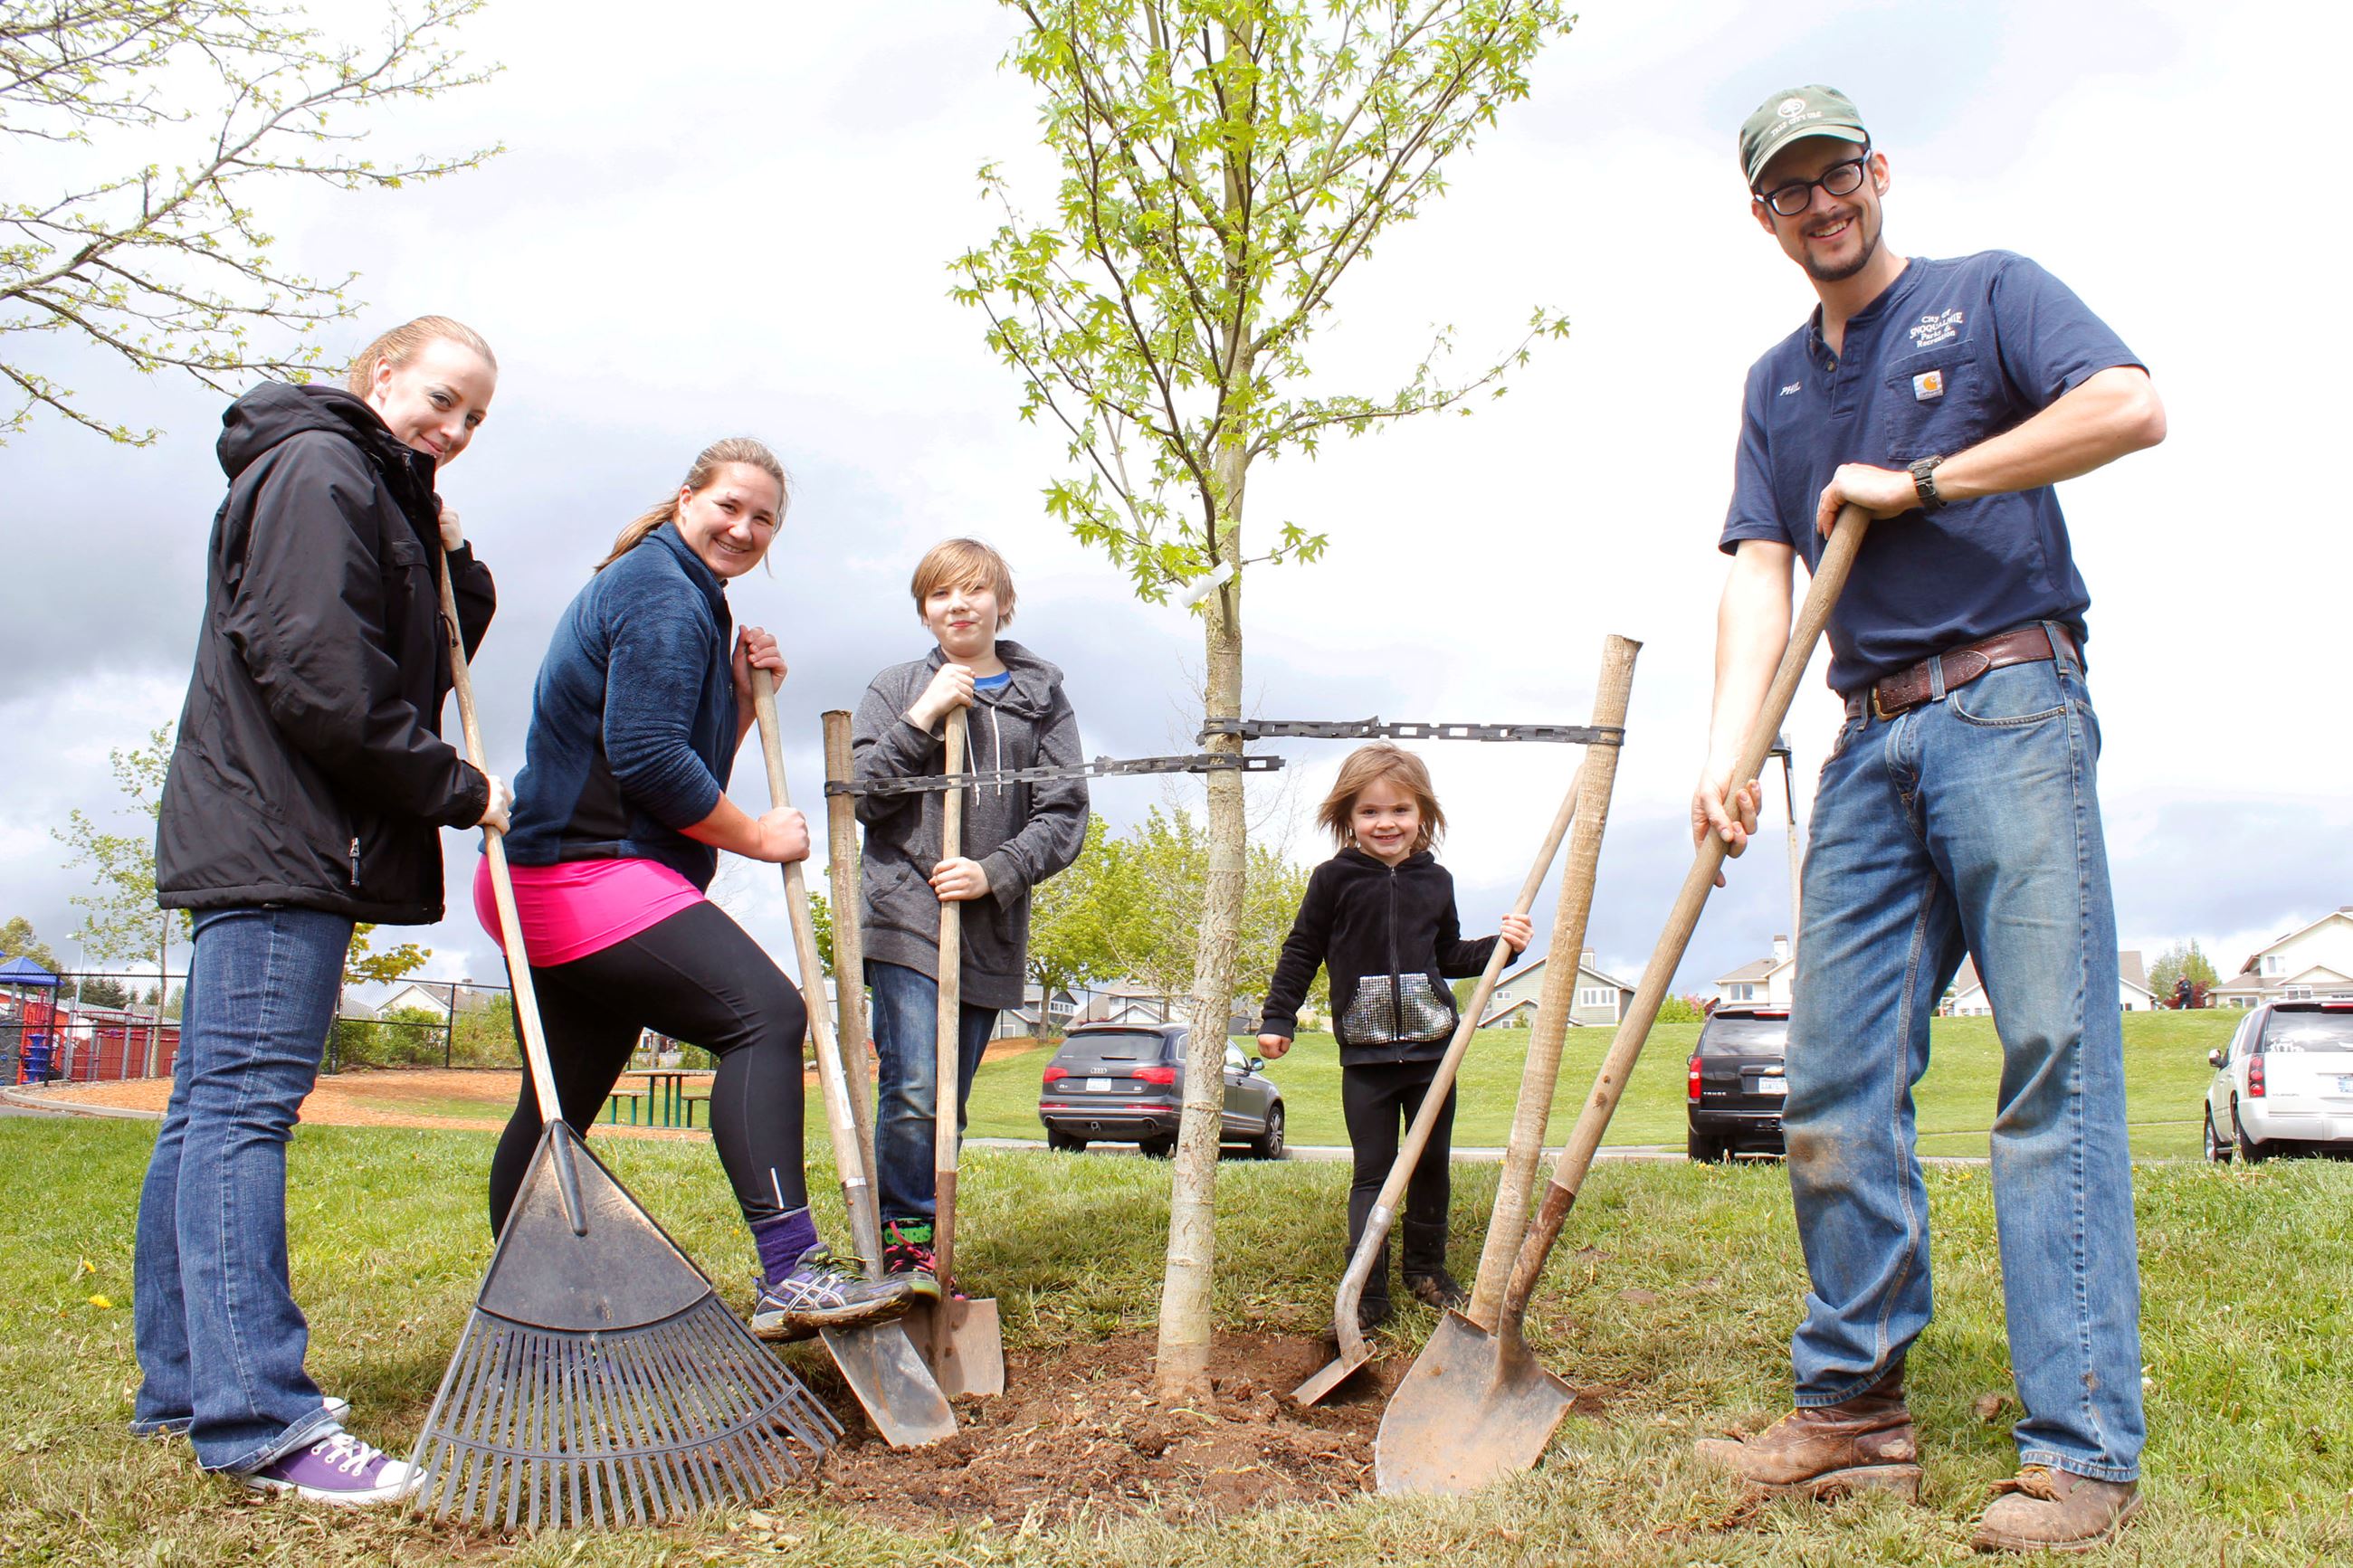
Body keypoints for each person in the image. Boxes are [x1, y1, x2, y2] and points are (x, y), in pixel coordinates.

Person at [1689, 87, 2166, 1553]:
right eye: (1791, 189)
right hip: (1866, 736)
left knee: (2050, 1066)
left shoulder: (1991, 295)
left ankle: (2081, 1444)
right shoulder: (1774, 385)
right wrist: (1732, 742)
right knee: (1829, 1078)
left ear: (1878, 174)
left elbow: (2130, 402)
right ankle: (1851, 1413)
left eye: (1839, 174)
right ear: (1762, 216)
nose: (1822, 203)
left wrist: (1927, 478)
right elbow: (1760, 570)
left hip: (2010, 703)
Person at [139, 316, 510, 1505]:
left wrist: (448, 542)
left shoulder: (367, 486)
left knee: (206, 1114)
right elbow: (320, 670)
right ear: (381, 375)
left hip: (271, 831)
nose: (449, 428)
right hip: (275, 833)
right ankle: (260, 1418)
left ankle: (184, 1384)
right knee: (243, 1113)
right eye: (439, 398)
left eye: (472, 420)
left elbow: (428, 641)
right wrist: (454, 787)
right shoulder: (317, 466)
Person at [484, 437, 931, 1344]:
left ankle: (536, 1307)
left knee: (558, 1104)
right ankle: (790, 1272)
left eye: (763, 518)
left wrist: (734, 695)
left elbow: (675, 759)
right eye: (729, 505)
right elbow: (649, 764)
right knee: (762, 1016)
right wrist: (759, 835)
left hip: (558, 876)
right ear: (685, 498)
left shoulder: (687, 595)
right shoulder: (660, 591)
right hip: (580, 872)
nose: (743, 526)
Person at [851, 538, 1089, 1282]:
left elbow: (1065, 813)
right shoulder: (894, 688)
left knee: (947, 1101)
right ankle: (907, 1245)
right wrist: (923, 716)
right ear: (925, 610)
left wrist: (994, 872)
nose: (958, 604)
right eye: (940, 594)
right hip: (903, 913)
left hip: (987, 925)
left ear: (1001, 602)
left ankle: (933, 1236)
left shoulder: (1040, 698)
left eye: (973, 590)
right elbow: (861, 796)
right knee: (915, 1085)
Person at [1257, 744, 1530, 1329]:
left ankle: (1427, 1270)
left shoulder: (1437, 881)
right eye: (1370, 812)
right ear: (1347, 818)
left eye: (1400, 810)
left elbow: (1450, 954)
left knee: (1431, 1162)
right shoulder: (1332, 881)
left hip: (1433, 1051)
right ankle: (1369, 1288)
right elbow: (1301, 950)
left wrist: (1501, 947)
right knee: (1373, 1169)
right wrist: (1279, 1017)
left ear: (1422, 814)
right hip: (1366, 1057)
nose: (1386, 823)